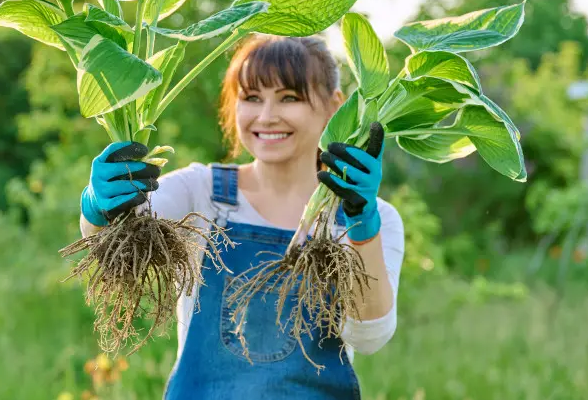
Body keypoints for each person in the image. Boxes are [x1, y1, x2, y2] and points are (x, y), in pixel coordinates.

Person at [79, 34, 405, 399]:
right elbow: (114, 236)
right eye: (251, 98)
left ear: (334, 106)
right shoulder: (201, 193)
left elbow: (370, 335)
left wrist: (362, 226)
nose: (266, 116)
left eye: (289, 98)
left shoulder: (372, 219)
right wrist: (98, 205)